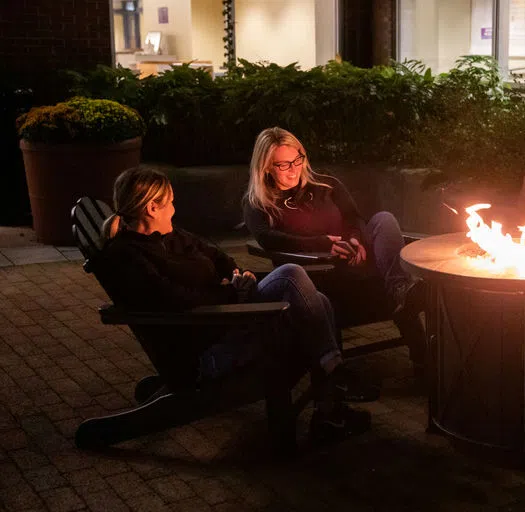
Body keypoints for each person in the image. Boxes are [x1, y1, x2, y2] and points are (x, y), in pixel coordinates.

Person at [98, 166, 375, 447]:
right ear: (152, 207)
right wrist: (231, 293)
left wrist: (236, 276)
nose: (173, 208)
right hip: (206, 351)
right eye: (169, 202)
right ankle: (333, 381)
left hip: (226, 322)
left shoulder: (169, 235)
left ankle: (330, 406)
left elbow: (217, 256)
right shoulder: (127, 256)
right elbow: (176, 300)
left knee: (318, 301)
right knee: (292, 277)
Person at [242, 127, 426, 375]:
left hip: (359, 260)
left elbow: (353, 217)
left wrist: (355, 239)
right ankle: (404, 315)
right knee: (387, 284)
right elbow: (269, 239)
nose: (294, 169)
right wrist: (324, 244)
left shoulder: (325, 183)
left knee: (384, 219)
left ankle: (402, 291)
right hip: (320, 276)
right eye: (284, 165)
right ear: (266, 167)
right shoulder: (259, 203)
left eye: (298, 159)